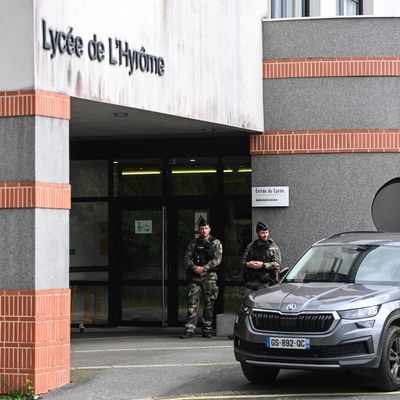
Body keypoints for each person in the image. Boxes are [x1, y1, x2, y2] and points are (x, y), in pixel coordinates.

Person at [181, 219, 223, 339]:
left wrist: (204, 268)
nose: (204, 230)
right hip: (195, 276)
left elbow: (217, 259)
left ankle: (207, 329)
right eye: (201, 229)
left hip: (210, 277)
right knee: (192, 304)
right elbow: (187, 258)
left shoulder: (216, 243)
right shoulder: (193, 243)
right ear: (198, 230)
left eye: (206, 228)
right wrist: (195, 268)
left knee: (209, 304)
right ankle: (190, 329)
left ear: (209, 229)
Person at [241, 221, 281, 291]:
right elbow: (242, 261)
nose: (265, 235)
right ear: (258, 233)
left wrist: (262, 265)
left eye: (267, 232)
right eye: (262, 233)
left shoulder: (273, 247)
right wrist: (247, 264)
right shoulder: (251, 246)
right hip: (251, 283)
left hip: (267, 283)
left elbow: (277, 264)